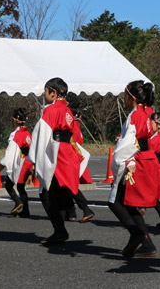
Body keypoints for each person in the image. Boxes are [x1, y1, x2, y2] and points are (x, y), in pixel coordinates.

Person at [107, 80, 159, 258]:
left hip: (132, 160)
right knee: (128, 203)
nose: (124, 98)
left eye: (125, 95)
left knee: (115, 202)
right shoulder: (148, 112)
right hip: (144, 157)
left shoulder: (134, 115)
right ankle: (147, 243)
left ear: (132, 97)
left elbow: (128, 143)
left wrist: (119, 164)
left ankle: (137, 234)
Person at [27, 78, 81, 246]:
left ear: (54, 92)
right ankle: (63, 225)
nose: (45, 95)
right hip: (66, 153)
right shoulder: (68, 111)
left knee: (46, 193)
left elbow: (41, 135)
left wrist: (35, 160)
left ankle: (59, 229)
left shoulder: (50, 110)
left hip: (54, 152)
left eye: (46, 92)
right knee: (60, 190)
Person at [65, 92, 95, 223]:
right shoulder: (75, 117)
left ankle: (85, 208)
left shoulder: (67, 114)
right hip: (74, 150)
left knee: (68, 184)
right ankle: (71, 212)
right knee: (67, 185)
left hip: (70, 152)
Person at [0, 108, 33, 217]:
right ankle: (26, 210)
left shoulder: (15, 134)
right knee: (20, 186)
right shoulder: (28, 133)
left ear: (15, 120)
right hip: (28, 161)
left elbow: (10, 152)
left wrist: (2, 164)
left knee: (9, 185)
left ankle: (18, 202)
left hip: (20, 162)